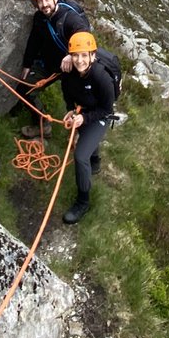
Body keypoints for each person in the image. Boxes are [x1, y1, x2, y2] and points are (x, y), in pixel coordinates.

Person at [19, 0, 90, 136]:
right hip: (51, 65)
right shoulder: (40, 18)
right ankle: (42, 124)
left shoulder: (69, 17)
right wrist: (27, 65)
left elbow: (84, 35)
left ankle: (81, 137)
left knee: (77, 102)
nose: (44, 4)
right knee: (26, 89)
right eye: (40, 1)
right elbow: (34, 41)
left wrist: (71, 55)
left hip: (73, 65)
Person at [59, 31, 115, 224]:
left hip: (99, 115)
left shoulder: (101, 77)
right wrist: (70, 110)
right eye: (76, 55)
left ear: (92, 56)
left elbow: (107, 109)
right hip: (82, 111)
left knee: (80, 156)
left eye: (84, 55)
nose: (80, 60)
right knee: (86, 137)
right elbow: (66, 92)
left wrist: (85, 118)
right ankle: (96, 161)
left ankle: (83, 202)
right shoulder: (68, 72)